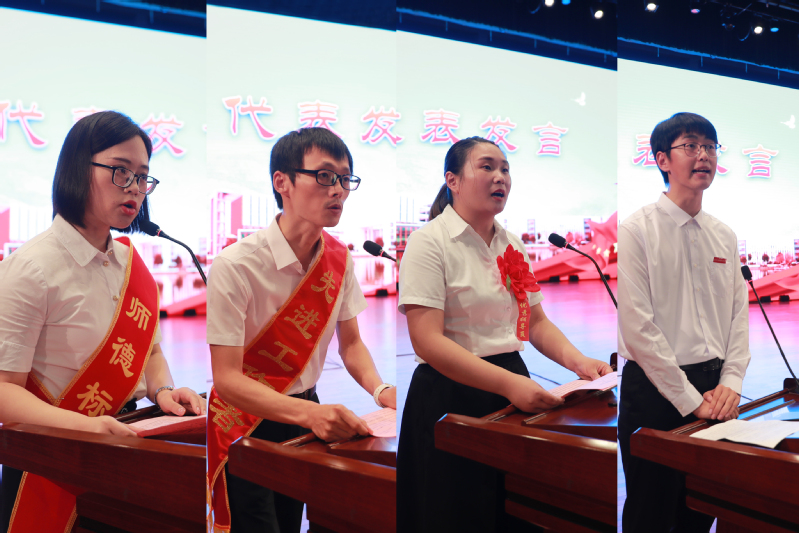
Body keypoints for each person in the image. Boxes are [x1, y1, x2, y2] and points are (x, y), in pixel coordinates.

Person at [0, 111, 206, 533]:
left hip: (124, 447)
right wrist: (87, 427)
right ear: (79, 168)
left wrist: (164, 392)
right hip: (51, 464)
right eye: (120, 171)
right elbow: (3, 391)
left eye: (142, 177)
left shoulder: (131, 263)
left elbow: (149, 351)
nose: (134, 188)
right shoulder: (31, 269)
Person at [397, 136, 612, 533]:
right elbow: (427, 340)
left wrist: (580, 363)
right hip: (450, 394)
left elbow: (537, 322)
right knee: (456, 514)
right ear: (452, 180)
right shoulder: (428, 242)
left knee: (515, 510)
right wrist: (510, 385)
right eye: (487, 167)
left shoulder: (511, 244)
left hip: (512, 386)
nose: (500, 177)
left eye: (505, 169)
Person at [206, 127, 396, 533]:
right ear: (283, 182)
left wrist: (381, 390)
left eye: (345, 179)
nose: (338, 190)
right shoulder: (235, 265)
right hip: (246, 422)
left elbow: (352, 345)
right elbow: (226, 379)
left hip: (308, 412)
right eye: (325, 176)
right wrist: (311, 414)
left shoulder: (339, 259)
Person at [617, 112, 750, 533]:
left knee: (701, 511)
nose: (703, 155)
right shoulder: (637, 230)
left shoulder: (724, 234)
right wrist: (692, 401)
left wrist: (731, 382)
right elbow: (638, 329)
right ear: (662, 159)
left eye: (710, 147)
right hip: (654, 391)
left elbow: (738, 317)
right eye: (691, 145)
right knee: (650, 515)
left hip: (716, 389)